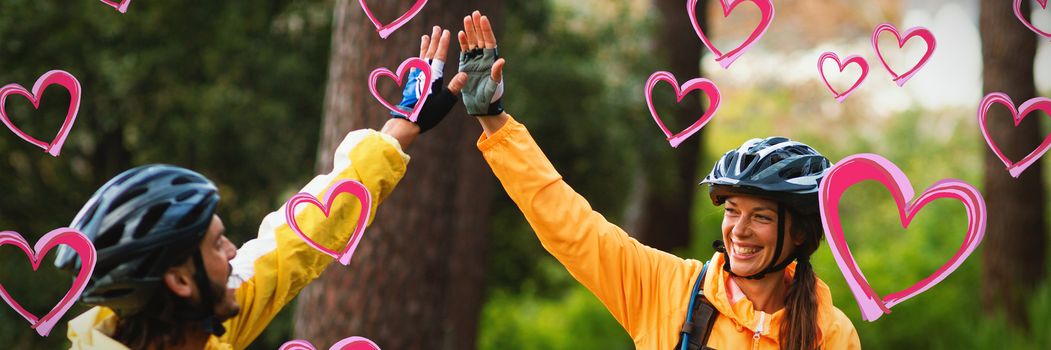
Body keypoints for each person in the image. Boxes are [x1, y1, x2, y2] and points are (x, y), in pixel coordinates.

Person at [454, 11, 861, 350]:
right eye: (733, 211)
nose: (739, 229)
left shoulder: (832, 334)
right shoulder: (666, 288)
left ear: (801, 234)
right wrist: (494, 119)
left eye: (761, 217)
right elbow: (569, 227)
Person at [55, 26, 464, 350]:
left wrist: (397, 130)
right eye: (216, 245)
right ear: (180, 282)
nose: (233, 251)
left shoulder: (199, 326)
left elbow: (294, 244)